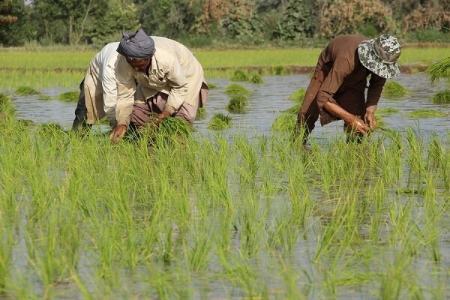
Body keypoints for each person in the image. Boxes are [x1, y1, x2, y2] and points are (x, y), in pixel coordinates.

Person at [295, 34, 401, 143]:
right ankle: (297, 145)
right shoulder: (346, 59)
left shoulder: (381, 64)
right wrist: (351, 119)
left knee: (359, 117)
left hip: (358, 74)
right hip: (328, 68)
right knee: (307, 113)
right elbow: (322, 97)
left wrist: (370, 111)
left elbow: (377, 84)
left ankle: (354, 151)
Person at [109, 29, 208, 143]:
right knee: (139, 114)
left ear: (148, 58)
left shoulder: (166, 59)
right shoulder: (124, 61)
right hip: (151, 80)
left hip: (186, 76)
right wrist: (122, 123)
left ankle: (179, 147)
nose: (136, 69)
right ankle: (150, 144)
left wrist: (166, 113)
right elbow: (124, 95)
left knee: (183, 116)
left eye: (140, 66)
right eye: (133, 66)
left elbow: (180, 87)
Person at [72, 42, 121, 130]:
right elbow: (110, 101)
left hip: (121, 77)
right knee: (85, 110)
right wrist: (115, 126)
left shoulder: (142, 56)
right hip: (96, 74)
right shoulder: (111, 64)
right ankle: (77, 137)